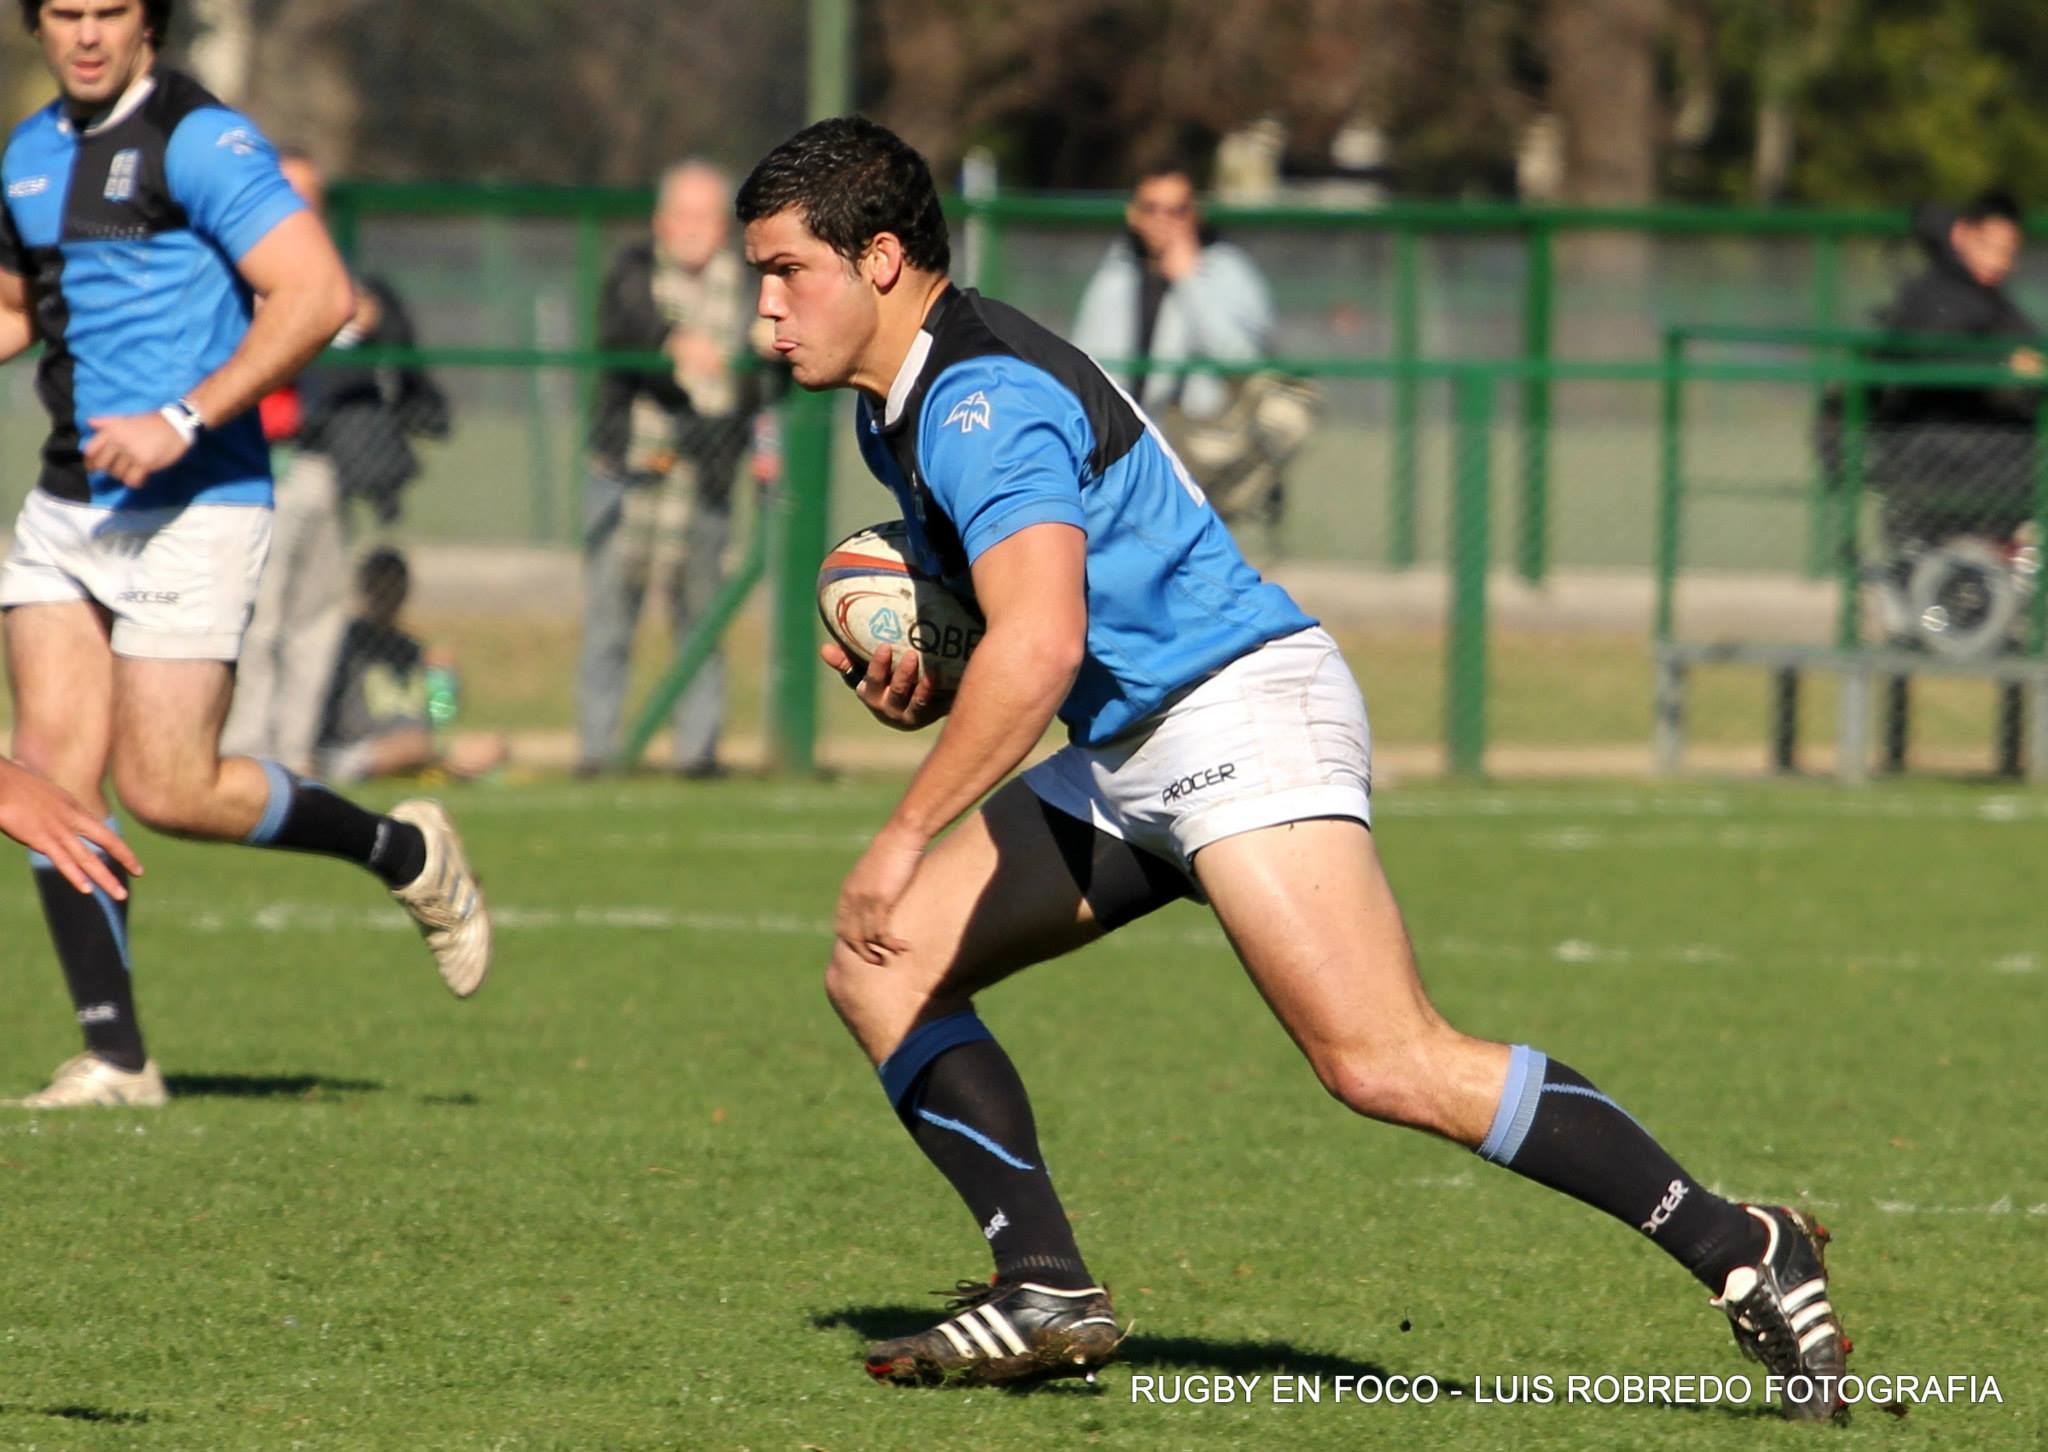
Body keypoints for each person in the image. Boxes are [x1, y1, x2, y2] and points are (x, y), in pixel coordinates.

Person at [736, 116, 1850, 1418]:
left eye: (784, 273)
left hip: (1235, 714)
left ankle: (1741, 1248)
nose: (766, 313)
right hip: (1134, 745)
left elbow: (1038, 649)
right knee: (884, 965)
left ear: (878, 259)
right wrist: (930, 677)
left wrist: (904, 831)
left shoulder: (982, 405)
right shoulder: (908, 405)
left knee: (1382, 1059)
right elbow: (1023, 638)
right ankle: (1043, 1286)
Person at [0, 0, 490, 1111]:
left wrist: (181, 416)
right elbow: (20, 305)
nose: (85, 34)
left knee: (167, 790)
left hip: (197, 499)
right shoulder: (28, 153)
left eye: (109, 11)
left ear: (149, 22)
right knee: (46, 764)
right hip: (67, 504)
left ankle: (399, 851)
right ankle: (115, 1055)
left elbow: (316, 296)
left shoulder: (200, 140)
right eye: (63, 13)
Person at [221, 149, 449, 774]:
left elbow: (394, 346)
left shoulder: (339, 280)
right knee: (258, 617)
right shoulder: (232, 276)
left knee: (315, 619)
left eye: (310, 199)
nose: (301, 211)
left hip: (321, 470)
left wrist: (372, 318)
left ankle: (294, 759)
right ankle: (246, 755)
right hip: (253, 464)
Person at [576, 160, 774, 778]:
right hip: (627, 469)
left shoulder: (750, 286)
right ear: (662, 221)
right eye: (682, 215)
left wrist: (761, 347)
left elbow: (768, 361)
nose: (693, 228)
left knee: (701, 618)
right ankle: (599, 751)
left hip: (707, 475)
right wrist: (673, 344)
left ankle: (698, 752)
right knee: (611, 619)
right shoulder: (631, 273)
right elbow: (627, 322)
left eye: (706, 216)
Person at [1868, 190, 2043, 547]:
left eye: (2007, 251)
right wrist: (2004, 364)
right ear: (1962, 234)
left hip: (1965, 445)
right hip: (1934, 446)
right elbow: (1935, 354)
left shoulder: (1986, 296)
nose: (1998, 260)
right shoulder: (1939, 292)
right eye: (1989, 246)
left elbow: (2026, 341)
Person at [1070, 157, 1272, 426]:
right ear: (1134, 214)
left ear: (1195, 213)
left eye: (1176, 211)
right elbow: (1085, 361)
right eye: (1151, 209)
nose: (1162, 221)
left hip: (1204, 439)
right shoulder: (1114, 275)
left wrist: (1189, 282)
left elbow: (1244, 363)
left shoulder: (1227, 270)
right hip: (1127, 440)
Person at [313, 548, 508, 785]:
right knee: (414, 747)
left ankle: (448, 761)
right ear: (365, 588)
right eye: (380, 584)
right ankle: (448, 761)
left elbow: (441, 715)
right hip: (357, 750)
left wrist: (444, 680)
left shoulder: (412, 649)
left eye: (395, 585)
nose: (388, 594)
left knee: (494, 744)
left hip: (421, 747)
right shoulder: (346, 644)